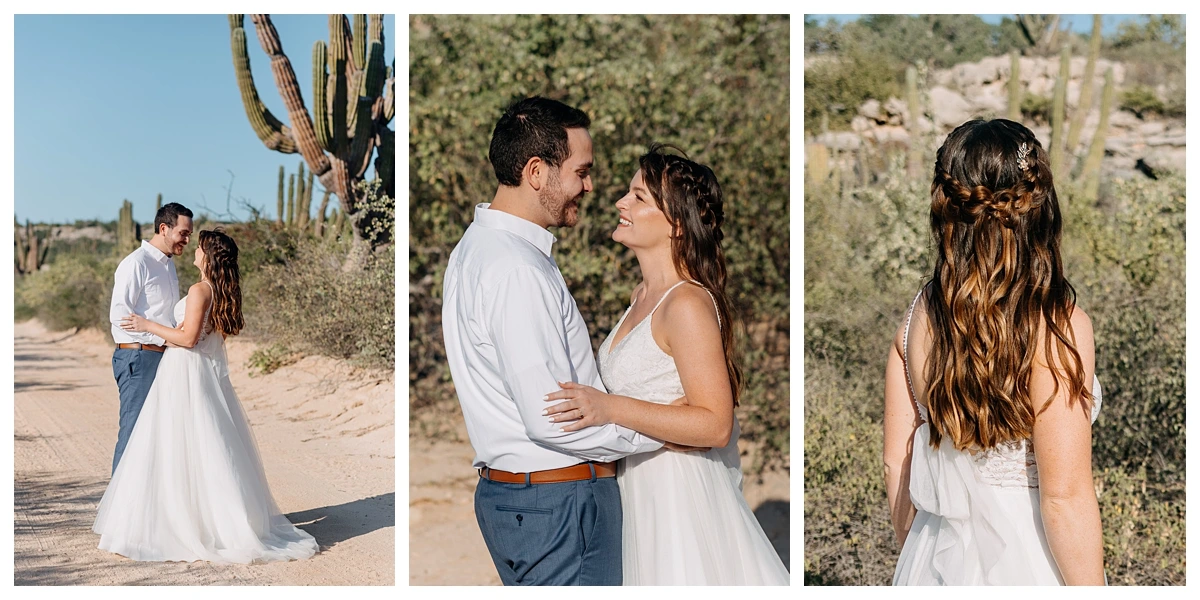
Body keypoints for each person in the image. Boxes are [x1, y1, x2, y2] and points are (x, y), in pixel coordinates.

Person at [441, 97, 666, 586]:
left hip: (528, 504)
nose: (589, 186)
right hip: (561, 507)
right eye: (580, 171)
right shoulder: (516, 269)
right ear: (537, 172)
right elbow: (552, 420)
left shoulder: (476, 250)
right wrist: (666, 431)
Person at [543, 144, 790, 585]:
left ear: (677, 225)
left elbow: (715, 424)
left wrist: (610, 408)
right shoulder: (642, 295)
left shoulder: (687, 304)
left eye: (639, 198)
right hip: (638, 485)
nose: (620, 202)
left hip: (677, 495)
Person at [882, 119, 1105, 585]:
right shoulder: (1056, 328)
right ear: (1037, 205)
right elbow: (1063, 497)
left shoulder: (917, 316)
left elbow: (897, 462)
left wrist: (918, 558)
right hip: (1029, 558)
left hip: (933, 548)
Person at [93, 229, 318, 563]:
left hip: (185, 372)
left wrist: (147, 324)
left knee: (180, 443)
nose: (195, 251)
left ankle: (185, 522)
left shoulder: (200, 290)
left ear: (209, 256)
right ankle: (203, 516)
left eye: (199, 247)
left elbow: (187, 339)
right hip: (195, 372)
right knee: (202, 444)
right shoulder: (220, 291)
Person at [108, 202, 192, 474]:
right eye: (183, 233)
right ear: (164, 228)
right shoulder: (136, 263)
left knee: (156, 436)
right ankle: (117, 511)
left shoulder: (168, 267)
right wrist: (161, 339)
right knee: (133, 432)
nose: (187, 240)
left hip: (163, 357)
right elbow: (120, 316)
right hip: (138, 355)